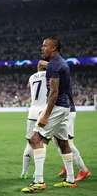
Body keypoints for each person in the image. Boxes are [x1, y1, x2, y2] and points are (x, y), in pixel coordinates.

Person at [21, 37, 77, 193]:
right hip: (65, 107)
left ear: (54, 48)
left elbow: (53, 93)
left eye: (45, 46)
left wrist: (45, 115)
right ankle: (70, 179)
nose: (42, 48)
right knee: (63, 142)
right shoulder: (61, 63)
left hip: (57, 106)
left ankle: (39, 181)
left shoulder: (53, 65)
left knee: (35, 138)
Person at [20, 60, 48, 179]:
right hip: (45, 111)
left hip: (32, 111)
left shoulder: (31, 77)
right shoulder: (50, 75)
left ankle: (24, 172)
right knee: (42, 144)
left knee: (30, 143)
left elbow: (28, 86)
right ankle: (37, 172)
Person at [56, 89, 91, 182]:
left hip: (65, 110)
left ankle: (84, 170)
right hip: (62, 109)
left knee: (67, 143)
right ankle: (67, 165)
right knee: (59, 142)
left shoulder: (57, 75)